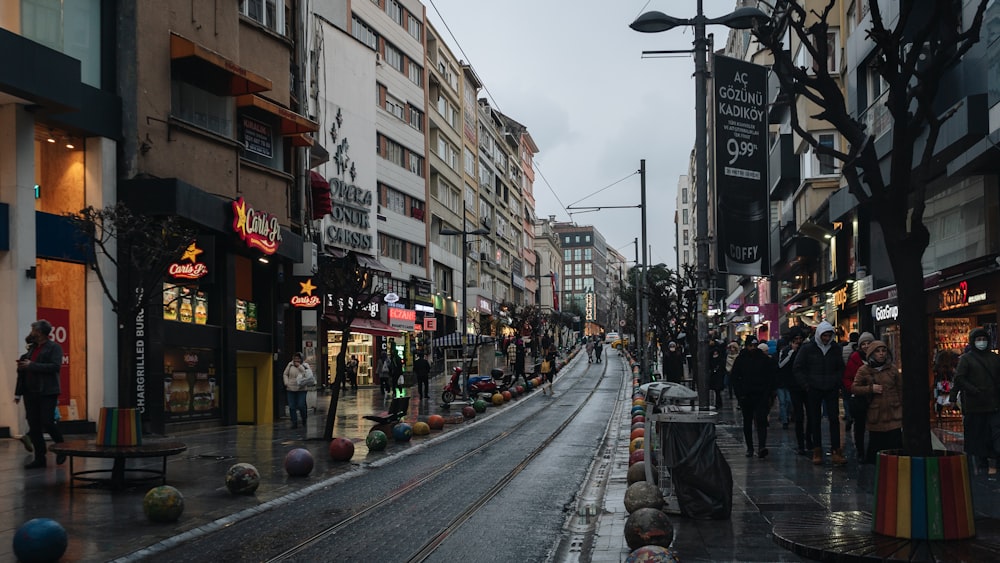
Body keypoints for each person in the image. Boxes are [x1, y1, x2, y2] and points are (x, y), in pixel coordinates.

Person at [793, 320, 847, 466]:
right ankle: (817, 450)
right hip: (814, 388)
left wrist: (837, 381)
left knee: (834, 419)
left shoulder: (835, 348)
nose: (826, 339)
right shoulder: (808, 348)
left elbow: (840, 367)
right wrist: (806, 385)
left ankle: (836, 450)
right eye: (824, 335)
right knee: (814, 419)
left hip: (831, 387)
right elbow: (798, 367)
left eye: (829, 335)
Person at [15, 320, 66, 468]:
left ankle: (62, 448)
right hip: (30, 392)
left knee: (47, 422)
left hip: (47, 391)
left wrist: (32, 365)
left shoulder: (54, 348)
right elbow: (23, 373)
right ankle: (39, 458)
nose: (32, 332)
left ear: (41, 332)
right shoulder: (31, 349)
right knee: (34, 425)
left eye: (34, 329)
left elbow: (55, 367)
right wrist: (18, 392)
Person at [950, 327, 1000, 476]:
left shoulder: (994, 358)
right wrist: (971, 391)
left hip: (994, 404)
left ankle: (994, 460)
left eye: (983, 339)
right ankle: (981, 463)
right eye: (978, 340)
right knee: (978, 435)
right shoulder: (967, 359)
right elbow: (959, 379)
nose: (981, 342)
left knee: (995, 434)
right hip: (975, 405)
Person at [851, 340, 903, 464]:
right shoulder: (864, 370)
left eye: (884, 351)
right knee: (876, 449)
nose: (881, 354)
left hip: (893, 413)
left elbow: (900, 388)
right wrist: (870, 389)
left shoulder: (892, 369)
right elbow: (854, 388)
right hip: (875, 414)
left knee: (895, 449)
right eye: (877, 351)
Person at [731, 335, 778, 458]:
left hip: (760, 395)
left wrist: (768, 393)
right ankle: (750, 447)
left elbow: (770, 377)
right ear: (746, 346)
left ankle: (761, 446)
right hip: (746, 396)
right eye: (750, 346)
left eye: (754, 346)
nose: (753, 348)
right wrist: (740, 394)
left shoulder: (763, 359)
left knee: (761, 421)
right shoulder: (741, 359)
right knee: (747, 422)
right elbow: (735, 378)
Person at [843, 332, 874, 459]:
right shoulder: (855, 358)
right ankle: (860, 452)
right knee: (860, 426)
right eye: (863, 344)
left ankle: (872, 452)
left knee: (874, 426)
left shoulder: (877, 357)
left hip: (875, 397)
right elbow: (848, 378)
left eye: (868, 343)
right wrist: (854, 390)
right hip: (859, 397)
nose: (866, 346)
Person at [778, 328, 809, 454]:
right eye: (795, 340)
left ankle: (809, 440)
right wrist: (791, 353)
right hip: (793, 386)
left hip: (806, 386)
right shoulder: (786, 351)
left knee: (811, 414)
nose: (798, 342)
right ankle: (801, 443)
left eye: (800, 339)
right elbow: (780, 366)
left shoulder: (806, 350)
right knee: (798, 415)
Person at [282, 352, 313, 429]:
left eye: (298, 359)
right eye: (295, 358)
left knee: (301, 405)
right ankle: (294, 422)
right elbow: (285, 374)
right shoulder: (290, 365)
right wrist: (286, 382)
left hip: (301, 388)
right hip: (290, 388)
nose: (296, 360)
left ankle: (304, 419)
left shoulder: (305, 366)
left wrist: (299, 367)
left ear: (301, 359)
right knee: (292, 406)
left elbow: (307, 375)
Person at [708, 340, 726, 409]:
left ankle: (718, 403)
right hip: (714, 376)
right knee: (716, 391)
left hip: (718, 377)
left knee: (717, 391)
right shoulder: (711, 359)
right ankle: (718, 403)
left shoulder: (721, 359)